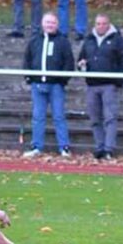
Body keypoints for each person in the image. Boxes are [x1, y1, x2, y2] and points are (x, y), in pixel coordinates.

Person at [78, 14, 123, 160]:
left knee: (110, 118)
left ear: (109, 24)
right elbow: (81, 58)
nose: (100, 26)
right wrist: (81, 66)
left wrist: (118, 81)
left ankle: (109, 149)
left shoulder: (118, 40)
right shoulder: (89, 40)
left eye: (103, 23)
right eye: (98, 23)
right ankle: (99, 147)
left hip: (109, 85)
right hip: (92, 85)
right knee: (95, 119)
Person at [22, 12, 75, 158]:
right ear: (42, 23)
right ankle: (36, 146)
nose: (50, 25)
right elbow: (27, 60)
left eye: (52, 23)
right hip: (37, 84)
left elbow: (69, 62)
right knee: (38, 116)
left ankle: (64, 147)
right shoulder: (34, 41)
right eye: (47, 22)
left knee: (59, 116)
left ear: (57, 25)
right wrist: (29, 78)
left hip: (56, 85)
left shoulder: (63, 42)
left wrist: (62, 80)